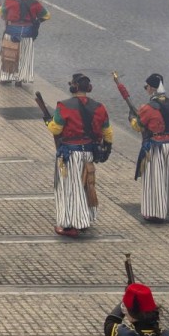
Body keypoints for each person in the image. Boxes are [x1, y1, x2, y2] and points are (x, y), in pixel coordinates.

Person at [46, 73, 112, 238]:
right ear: (88, 88)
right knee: (85, 186)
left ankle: (71, 225)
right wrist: (107, 149)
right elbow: (108, 132)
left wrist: (48, 122)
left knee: (69, 188)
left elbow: (56, 129)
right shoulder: (99, 107)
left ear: (73, 87)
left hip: (70, 154)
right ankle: (85, 219)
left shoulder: (64, 106)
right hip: (89, 153)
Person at [130, 73, 169, 223]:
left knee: (155, 179)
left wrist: (132, 118)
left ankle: (156, 212)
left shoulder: (147, 108)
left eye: (146, 87)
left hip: (156, 146)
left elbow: (139, 127)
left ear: (151, 88)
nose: (146, 89)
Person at [0, 0, 49, 86]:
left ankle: (6, 77)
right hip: (28, 33)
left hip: (12, 31)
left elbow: (1, 12)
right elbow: (47, 15)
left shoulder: (9, 0)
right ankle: (20, 79)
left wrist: (2, 11)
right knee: (24, 56)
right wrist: (36, 21)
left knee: (9, 55)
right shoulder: (34, 2)